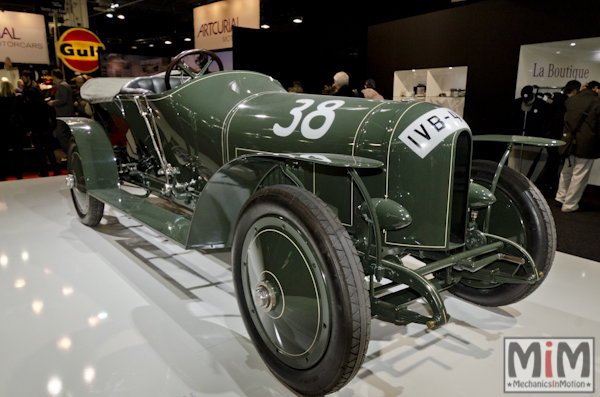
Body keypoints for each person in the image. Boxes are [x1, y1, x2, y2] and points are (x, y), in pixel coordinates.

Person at [555, 80, 600, 212]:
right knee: (579, 175)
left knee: (566, 171)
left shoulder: (572, 100)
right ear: (596, 88)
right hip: (587, 144)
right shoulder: (597, 102)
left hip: (569, 141)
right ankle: (570, 204)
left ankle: (560, 197)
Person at [537, 80, 581, 192]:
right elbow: (558, 123)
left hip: (549, 135)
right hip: (555, 137)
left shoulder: (557, 100)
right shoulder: (564, 103)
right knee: (552, 163)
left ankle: (546, 186)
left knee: (552, 162)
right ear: (575, 91)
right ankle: (540, 186)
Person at [24, 89, 61, 177]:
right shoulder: (45, 105)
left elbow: (27, 120)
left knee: (40, 152)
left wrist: (28, 130)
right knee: (50, 151)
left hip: (35, 131)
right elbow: (52, 117)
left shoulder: (28, 106)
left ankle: (44, 171)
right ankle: (55, 169)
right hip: (46, 129)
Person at [0, 80, 27, 180]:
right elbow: (23, 114)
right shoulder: (18, 99)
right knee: (18, 152)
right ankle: (18, 173)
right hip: (16, 128)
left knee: (3, 153)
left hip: (3, 129)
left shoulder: (1, 100)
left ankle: (3, 174)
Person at [48, 69, 74, 155]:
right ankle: (70, 153)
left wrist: (53, 103)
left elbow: (63, 100)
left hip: (63, 114)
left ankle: (68, 153)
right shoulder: (65, 85)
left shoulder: (62, 86)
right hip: (66, 114)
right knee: (66, 134)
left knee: (61, 134)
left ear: (54, 76)